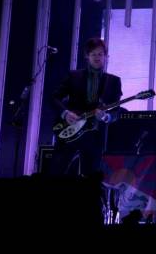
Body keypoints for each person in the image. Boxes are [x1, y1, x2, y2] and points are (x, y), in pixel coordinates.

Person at [50, 37, 122, 177]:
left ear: (106, 56)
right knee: (56, 175)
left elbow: (116, 111)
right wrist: (65, 113)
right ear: (87, 56)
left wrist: (106, 117)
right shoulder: (73, 76)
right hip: (69, 131)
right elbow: (54, 98)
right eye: (93, 54)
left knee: (90, 182)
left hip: (94, 137)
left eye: (100, 54)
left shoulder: (114, 81)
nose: (97, 57)